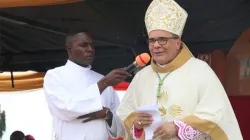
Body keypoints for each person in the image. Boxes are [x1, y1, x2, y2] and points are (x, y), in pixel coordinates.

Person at [116, 0, 243, 139]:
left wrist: (178, 128)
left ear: (177, 42)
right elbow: (124, 120)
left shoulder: (200, 71)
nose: (156, 45)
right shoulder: (141, 77)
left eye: (162, 39)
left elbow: (217, 117)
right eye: (152, 40)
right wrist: (137, 125)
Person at [43, 31, 128, 140]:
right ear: (69, 49)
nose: (90, 49)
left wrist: (107, 114)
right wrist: (103, 84)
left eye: (92, 45)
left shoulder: (101, 78)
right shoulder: (55, 76)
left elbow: (121, 128)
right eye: (84, 45)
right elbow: (66, 109)